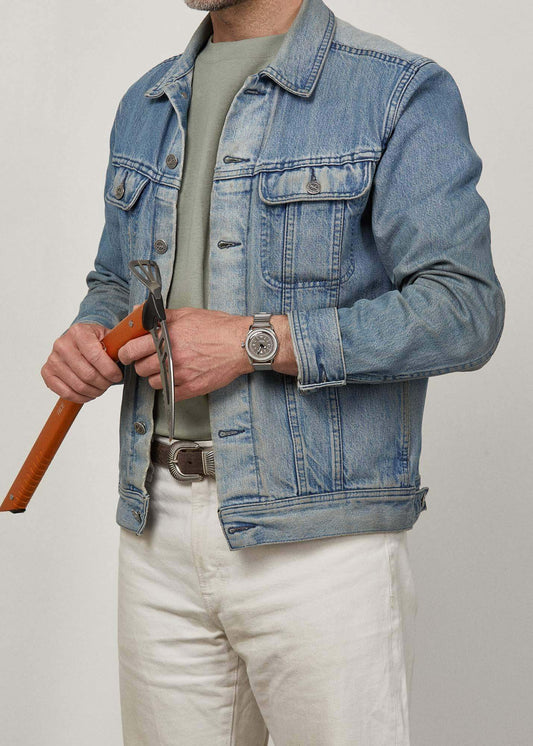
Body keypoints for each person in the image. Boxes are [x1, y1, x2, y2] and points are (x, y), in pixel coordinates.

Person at [40, 0, 505, 743]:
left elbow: (463, 310)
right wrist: (91, 332)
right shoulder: (148, 102)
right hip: (156, 526)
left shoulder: (394, 90)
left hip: (320, 536)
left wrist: (252, 342)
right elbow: (116, 279)